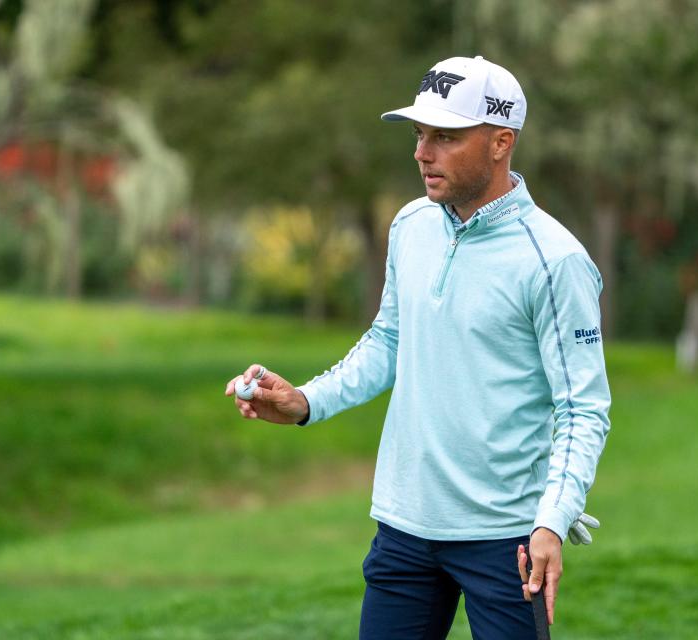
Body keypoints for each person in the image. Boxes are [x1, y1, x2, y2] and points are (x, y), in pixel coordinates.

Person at [225, 55, 612, 639]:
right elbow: (389, 341)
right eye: (419, 134)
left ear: (501, 142)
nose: (422, 152)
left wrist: (551, 523)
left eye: (445, 137)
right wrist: (306, 401)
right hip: (405, 527)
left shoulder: (554, 261)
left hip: (506, 538)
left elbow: (583, 408)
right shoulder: (411, 225)